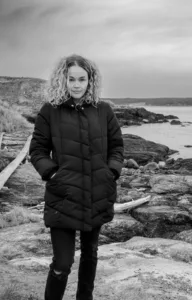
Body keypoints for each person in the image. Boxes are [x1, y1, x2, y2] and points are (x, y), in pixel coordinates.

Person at [29, 54, 124, 300]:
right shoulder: (50, 111)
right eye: (71, 79)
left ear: (90, 80)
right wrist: (52, 174)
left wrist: (110, 172)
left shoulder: (103, 110)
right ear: (63, 79)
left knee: (90, 254)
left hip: (97, 193)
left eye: (82, 79)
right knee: (62, 264)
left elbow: (117, 146)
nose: (77, 84)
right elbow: (37, 150)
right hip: (63, 196)